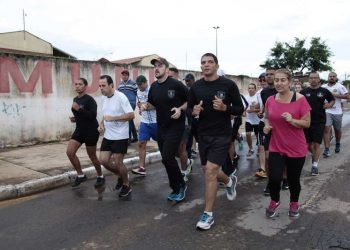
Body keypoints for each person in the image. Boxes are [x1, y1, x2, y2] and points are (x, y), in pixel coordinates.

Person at [188, 53, 244, 230]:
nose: (206, 65)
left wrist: (225, 107)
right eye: (203, 62)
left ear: (217, 65)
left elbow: (240, 108)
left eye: (210, 62)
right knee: (207, 171)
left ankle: (208, 215)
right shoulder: (196, 87)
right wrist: (194, 111)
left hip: (222, 135)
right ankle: (228, 181)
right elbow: (189, 109)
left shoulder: (228, 85)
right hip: (203, 135)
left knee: (211, 172)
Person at [263, 68, 311, 218]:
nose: (279, 83)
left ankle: (294, 203)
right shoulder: (270, 100)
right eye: (276, 80)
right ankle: (275, 200)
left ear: (289, 82)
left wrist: (292, 120)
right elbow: (267, 117)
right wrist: (266, 126)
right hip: (276, 145)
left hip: (296, 147)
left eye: (282, 80)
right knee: (274, 177)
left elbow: (307, 123)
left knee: (293, 179)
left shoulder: (300, 99)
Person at [142, 57, 188, 202]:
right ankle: (175, 187)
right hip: (160, 127)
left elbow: (189, 101)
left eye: (160, 66)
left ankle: (181, 185)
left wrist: (180, 109)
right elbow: (152, 104)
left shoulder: (176, 85)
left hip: (176, 126)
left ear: (167, 70)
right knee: (165, 159)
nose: (156, 68)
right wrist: (145, 106)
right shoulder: (154, 87)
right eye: (155, 66)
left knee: (168, 157)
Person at [98, 75, 134, 197]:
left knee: (118, 162)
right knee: (103, 160)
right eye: (99, 86)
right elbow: (105, 115)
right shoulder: (103, 98)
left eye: (103, 86)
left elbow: (131, 115)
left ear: (111, 85)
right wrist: (101, 124)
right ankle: (120, 175)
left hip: (121, 136)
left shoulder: (121, 97)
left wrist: (113, 119)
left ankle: (126, 184)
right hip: (108, 135)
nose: (101, 88)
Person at [66, 78, 104, 187]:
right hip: (79, 130)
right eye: (76, 84)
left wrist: (79, 110)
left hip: (91, 131)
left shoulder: (90, 100)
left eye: (80, 84)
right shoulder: (75, 99)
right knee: (70, 152)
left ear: (85, 86)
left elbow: (93, 115)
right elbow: (81, 115)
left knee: (92, 156)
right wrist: (75, 118)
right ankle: (81, 175)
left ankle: (100, 176)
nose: (77, 86)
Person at [300, 72, 335, 175]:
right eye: (311, 78)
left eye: (315, 78)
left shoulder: (324, 91)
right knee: (307, 145)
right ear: (309, 80)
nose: (313, 80)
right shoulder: (303, 92)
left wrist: (329, 105)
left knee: (316, 144)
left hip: (319, 121)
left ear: (319, 79)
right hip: (306, 121)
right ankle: (315, 154)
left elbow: (332, 99)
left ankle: (315, 165)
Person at [168, 68, 194, 182]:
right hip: (169, 125)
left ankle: (183, 173)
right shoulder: (165, 88)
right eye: (169, 76)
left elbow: (190, 102)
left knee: (181, 148)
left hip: (184, 123)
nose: (170, 79)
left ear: (177, 76)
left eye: (172, 76)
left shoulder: (181, 87)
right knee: (173, 151)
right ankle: (188, 161)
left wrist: (180, 109)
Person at [131, 75, 157, 176]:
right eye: (138, 85)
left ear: (146, 82)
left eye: (141, 84)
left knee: (164, 145)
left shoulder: (153, 90)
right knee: (141, 143)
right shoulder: (138, 92)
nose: (139, 87)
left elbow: (155, 104)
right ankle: (141, 168)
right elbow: (138, 103)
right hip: (145, 122)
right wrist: (140, 105)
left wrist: (144, 106)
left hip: (156, 122)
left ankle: (181, 159)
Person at [321, 72, 350, 157]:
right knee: (326, 129)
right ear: (328, 77)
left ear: (336, 77)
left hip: (337, 112)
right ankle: (327, 149)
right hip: (327, 111)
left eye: (333, 76)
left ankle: (337, 143)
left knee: (337, 129)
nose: (332, 78)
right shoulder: (323, 87)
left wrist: (335, 95)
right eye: (330, 76)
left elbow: (348, 96)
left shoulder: (340, 86)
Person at [118, 69, 138, 143]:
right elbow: (118, 95)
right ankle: (135, 137)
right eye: (123, 75)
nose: (124, 76)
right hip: (123, 105)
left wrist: (137, 102)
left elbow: (137, 93)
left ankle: (128, 139)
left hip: (131, 104)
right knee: (129, 120)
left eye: (126, 75)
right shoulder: (120, 85)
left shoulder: (133, 83)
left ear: (128, 76)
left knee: (127, 120)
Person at [244, 83, 261, 157]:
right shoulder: (245, 97)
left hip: (258, 120)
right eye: (249, 88)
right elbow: (244, 108)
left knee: (258, 135)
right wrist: (245, 111)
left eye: (252, 88)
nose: (250, 89)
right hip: (249, 120)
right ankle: (250, 149)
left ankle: (259, 148)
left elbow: (261, 108)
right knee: (248, 134)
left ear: (255, 89)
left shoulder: (258, 97)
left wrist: (255, 110)